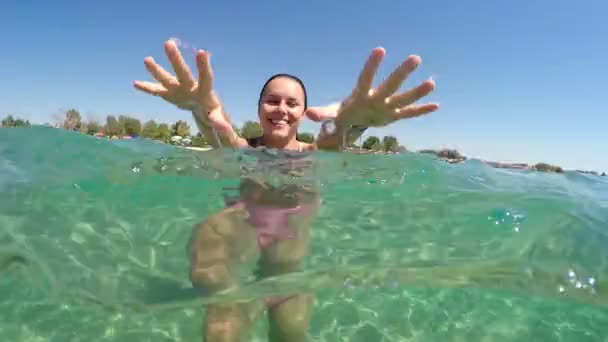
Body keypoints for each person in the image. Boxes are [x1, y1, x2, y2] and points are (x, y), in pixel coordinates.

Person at [133, 40, 439, 342]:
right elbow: (221, 131)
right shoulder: (246, 150)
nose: (281, 109)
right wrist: (201, 108)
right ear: (259, 108)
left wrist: (354, 122)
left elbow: (333, 141)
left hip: (287, 272)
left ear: (304, 112)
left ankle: (250, 305)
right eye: (272, 101)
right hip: (235, 251)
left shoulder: (312, 153)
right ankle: (234, 302)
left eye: (292, 103)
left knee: (290, 333)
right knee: (220, 327)